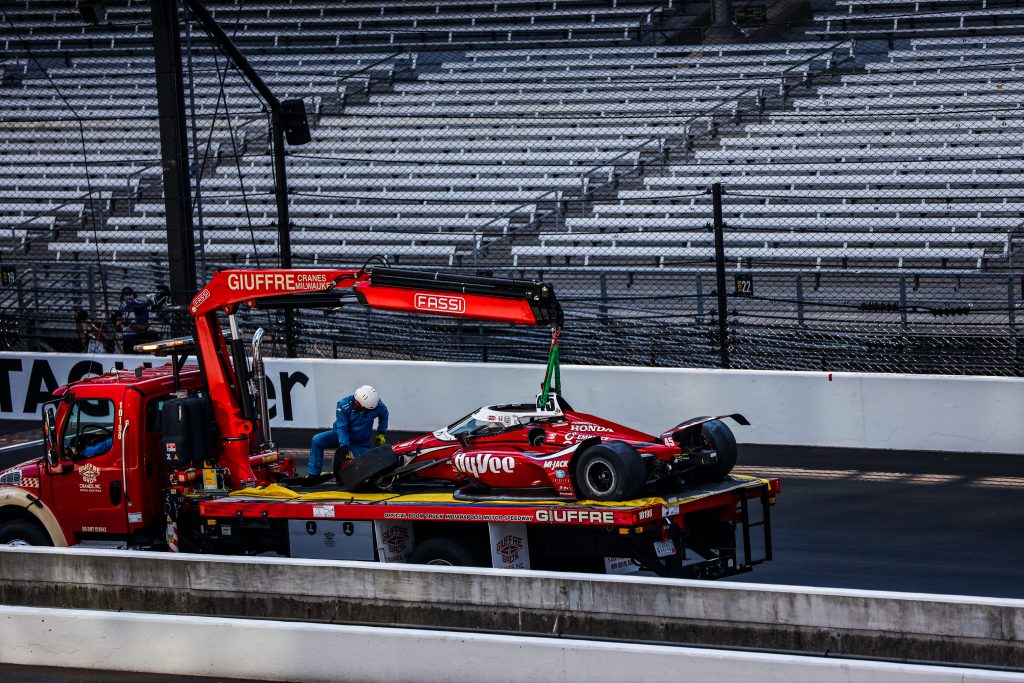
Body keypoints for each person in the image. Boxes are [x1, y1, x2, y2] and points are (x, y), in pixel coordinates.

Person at [307, 385, 389, 479]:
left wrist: (381, 433)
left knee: (368, 470)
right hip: (341, 436)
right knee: (317, 440)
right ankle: (313, 474)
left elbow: (384, 414)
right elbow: (342, 428)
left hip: (360, 442)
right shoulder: (343, 405)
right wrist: (344, 448)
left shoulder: (376, 405)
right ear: (357, 402)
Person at [115, 286, 150, 353]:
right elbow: (119, 328)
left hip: (138, 340)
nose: (128, 296)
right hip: (126, 340)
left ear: (133, 295)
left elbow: (144, 327)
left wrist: (129, 324)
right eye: (125, 294)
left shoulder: (140, 307)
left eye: (129, 294)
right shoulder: (122, 308)